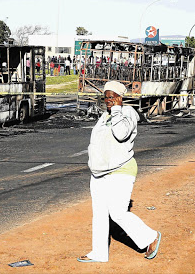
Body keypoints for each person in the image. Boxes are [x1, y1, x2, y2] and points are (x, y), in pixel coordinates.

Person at [78, 80, 161, 263]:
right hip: (99, 172)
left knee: (117, 213)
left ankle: (150, 237)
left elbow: (121, 133)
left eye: (112, 97)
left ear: (120, 97)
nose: (108, 100)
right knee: (99, 214)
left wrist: (116, 110)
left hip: (121, 169)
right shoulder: (103, 116)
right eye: (106, 97)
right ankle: (99, 253)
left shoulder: (128, 113)